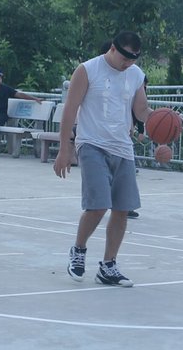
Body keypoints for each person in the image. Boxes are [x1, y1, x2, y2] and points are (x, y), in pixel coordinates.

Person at [54, 31, 150, 287]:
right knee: (98, 205)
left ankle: (108, 265)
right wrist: (64, 148)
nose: (128, 63)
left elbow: (141, 110)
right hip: (92, 143)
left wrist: (166, 118)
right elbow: (70, 110)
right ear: (113, 49)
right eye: (125, 58)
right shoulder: (87, 70)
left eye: (133, 59)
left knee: (122, 208)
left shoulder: (135, 74)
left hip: (123, 147)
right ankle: (78, 249)